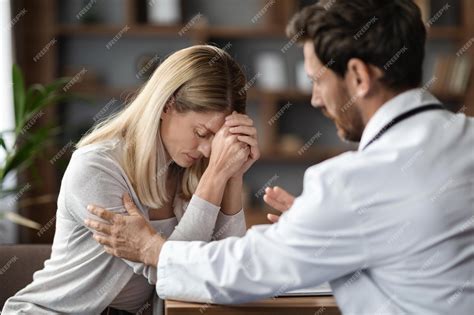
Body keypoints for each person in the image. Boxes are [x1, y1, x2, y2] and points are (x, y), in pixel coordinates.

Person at [85, 0, 474, 314]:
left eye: (318, 80)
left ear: (358, 76)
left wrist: (153, 250)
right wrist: (319, 229)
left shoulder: (351, 183)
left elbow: (250, 269)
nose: (317, 99)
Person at [2, 45, 260, 314]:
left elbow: (227, 272)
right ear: (167, 105)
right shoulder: (97, 167)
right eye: (201, 132)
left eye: (217, 140)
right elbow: (174, 276)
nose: (208, 151)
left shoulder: (187, 169)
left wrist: (233, 175)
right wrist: (217, 173)